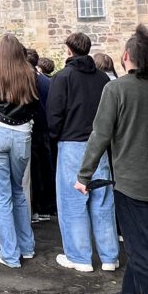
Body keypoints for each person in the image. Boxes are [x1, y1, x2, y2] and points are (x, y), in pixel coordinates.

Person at [75, 25, 148, 294]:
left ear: (126, 57)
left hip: (132, 187)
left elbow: (100, 135)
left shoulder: (116, 89)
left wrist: (83, 177)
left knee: (144, 254)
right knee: (142, 248)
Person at [47, 31, 118, 272]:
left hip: (72, 143)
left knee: (73, 202)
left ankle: (80, 256)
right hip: (99, 145)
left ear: (69, 50)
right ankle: (109, 256)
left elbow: (54, 115)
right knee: (102, 201)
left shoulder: (63, 77)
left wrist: (54, 138)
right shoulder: (103, 79)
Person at [0, 33, 39, 269]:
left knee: (1, 196)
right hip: (22, 131)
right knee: (18, 191)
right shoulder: (30, 74)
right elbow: (36, 103)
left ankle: (10, 253)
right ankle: (26, 246)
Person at [27, 47, 56, 223]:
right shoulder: (47, 81)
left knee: (34, 170)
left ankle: (37, 206)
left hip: (33, 127)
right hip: (46, 127)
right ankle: (48, 205)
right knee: (47, 167)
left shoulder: (31, 81)